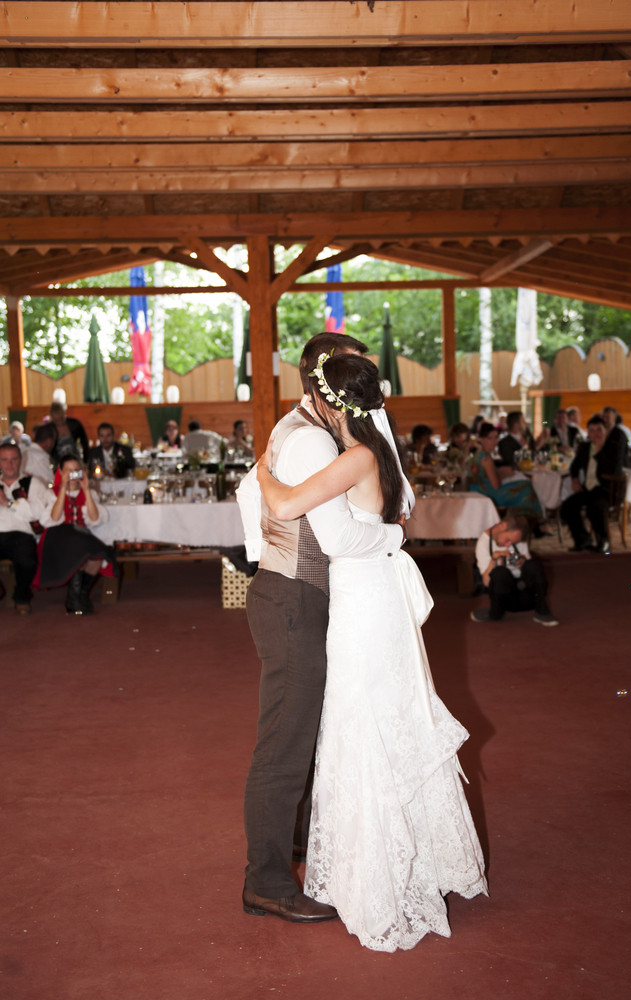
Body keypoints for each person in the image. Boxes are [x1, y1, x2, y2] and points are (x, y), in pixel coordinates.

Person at [255, 351, 487, 952]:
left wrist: (266, 480)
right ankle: (282, 871)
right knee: (326, 730)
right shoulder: (354, 445)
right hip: (320, 596)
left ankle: (350, 862)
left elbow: (321, 527)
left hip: (352, 594)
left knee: (350, 727)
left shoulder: (340, 447)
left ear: (327, 396)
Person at [236, 331, 404, 928]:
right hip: (293, 599)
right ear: (325, 380)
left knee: (303, 737)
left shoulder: (308, 430)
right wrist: (394, 539)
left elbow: (247, 491)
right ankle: (268, 883)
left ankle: (294, 846)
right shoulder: (309, 439)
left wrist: (266, 550)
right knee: (284, 748)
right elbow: (331, 536)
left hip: (296, 594)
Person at [37, 454, 115, 615]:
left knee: (97, 557)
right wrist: (63, 489)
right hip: (58, 536)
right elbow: (53, 518)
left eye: (76, 470)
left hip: (81, 536)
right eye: (69, 471)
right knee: (81, 552)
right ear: (61, 471)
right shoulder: (52, 493)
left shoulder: (90, 493)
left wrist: (86, 489)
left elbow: (94, 519)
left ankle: (79, 596)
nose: (73, 475)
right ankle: (75, 599)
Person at [470, 513, 558, 626]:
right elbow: (486, 582)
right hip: (504, 598)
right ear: (502, 526)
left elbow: (530, 571)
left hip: (526, 596)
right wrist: (494, 561)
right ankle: (495, 613)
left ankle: (542, 611)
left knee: (533, 565)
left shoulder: (519, 536)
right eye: (507, 540)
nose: (508, 545)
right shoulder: (483, 543)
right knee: (499, 573)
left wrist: (522, 562)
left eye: (512, 543)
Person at [0, 441, 54, 614]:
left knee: (27, 561)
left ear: (21, 460)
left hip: (20, 535)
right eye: (4, 460)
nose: (9, 464)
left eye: (14, 459)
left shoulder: (32, 483)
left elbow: (36, 513)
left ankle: (21, 596)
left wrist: (8, 503)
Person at [467, 422, 550, 531]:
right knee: (527, 487)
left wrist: (500, 472)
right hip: (489, 495)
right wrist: (503, 474)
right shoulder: (486, 458)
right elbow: (496, 485)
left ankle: (530, 523)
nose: (494, 441)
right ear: (481, 439)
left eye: (496, 438)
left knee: (524, 485)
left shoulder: (478, 455)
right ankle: (536, 523)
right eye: (490, 438)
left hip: (480, 493)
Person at [561, 414, 623, 553]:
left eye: (599, 430)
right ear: (588, 433)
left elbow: (612, 470)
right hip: (588, 490)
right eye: (592, 430)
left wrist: (599, 450)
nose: (595, 434)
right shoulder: (584, 447)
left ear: (605, 430)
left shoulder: (613, 447)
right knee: (567, 507)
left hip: (606, 490)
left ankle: (603, 542)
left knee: (594, 508)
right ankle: (583, 540)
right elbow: (574, 465)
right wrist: (575, 479)